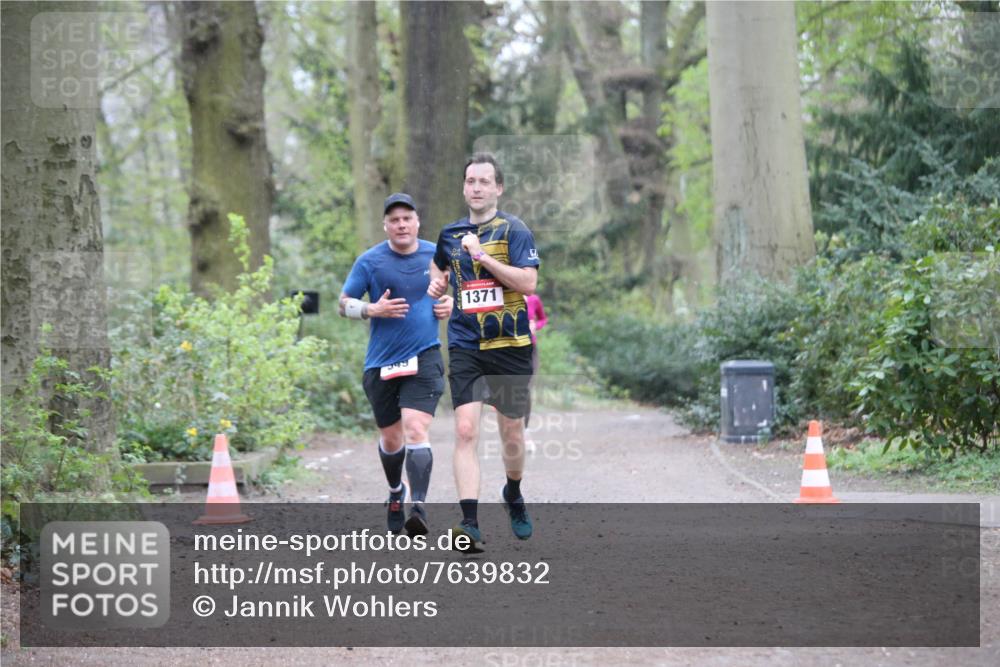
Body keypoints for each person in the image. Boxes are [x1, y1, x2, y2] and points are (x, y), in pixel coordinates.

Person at [428, 152, 539, 550]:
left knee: (511, 432)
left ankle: (512, 493)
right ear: (463, 187)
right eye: (470, 181)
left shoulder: (515, 230)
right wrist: (437, 285)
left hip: (510, 345)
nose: (476, 188)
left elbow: (527, 283)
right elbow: (438, 266)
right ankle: (470, 523)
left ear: (498, 188)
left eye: (483, 181)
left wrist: (482, 257)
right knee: (464, 430)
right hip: (464, 343)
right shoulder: (450, 234)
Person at [340, 193, 453, 536]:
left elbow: (457, 294)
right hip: (381, 362)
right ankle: (395, 492)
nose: (402, 224)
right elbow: (343, 304)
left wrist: (450, 304)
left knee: (416, 428)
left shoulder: (437, 255)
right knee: (392, 440)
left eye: (407, 218)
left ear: (417, 222)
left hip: (425, 355)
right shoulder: (370, 261)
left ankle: (418, 507)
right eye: (394, 220)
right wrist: (371, 310)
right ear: (386, 226)